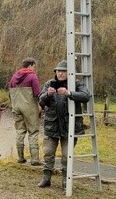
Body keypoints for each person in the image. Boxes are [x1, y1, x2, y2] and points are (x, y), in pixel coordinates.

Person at [37, 60, 90, 189]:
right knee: (48, 153)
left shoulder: (76, 84)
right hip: (52, 126)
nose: (60, 73)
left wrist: (69, 93)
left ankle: (66, 179)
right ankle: (46, 178)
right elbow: (41, 101)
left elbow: (86, 96)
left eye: (63, 71)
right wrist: (48, 95)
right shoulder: (49, 84)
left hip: (70, 127)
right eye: (58, 71)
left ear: (69, 72)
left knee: (67, 155)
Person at [8, 57, 43, 165]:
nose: (34, 68)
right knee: (33, 131)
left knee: (20, 131)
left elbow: (10, 93)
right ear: (31, 65)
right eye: (34, 66)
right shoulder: (32, 76)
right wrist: (42, 106)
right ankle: (35, 159)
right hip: (29, 107)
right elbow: (38, 93)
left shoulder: (14, 77)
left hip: (16, 106)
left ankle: (20, 157)